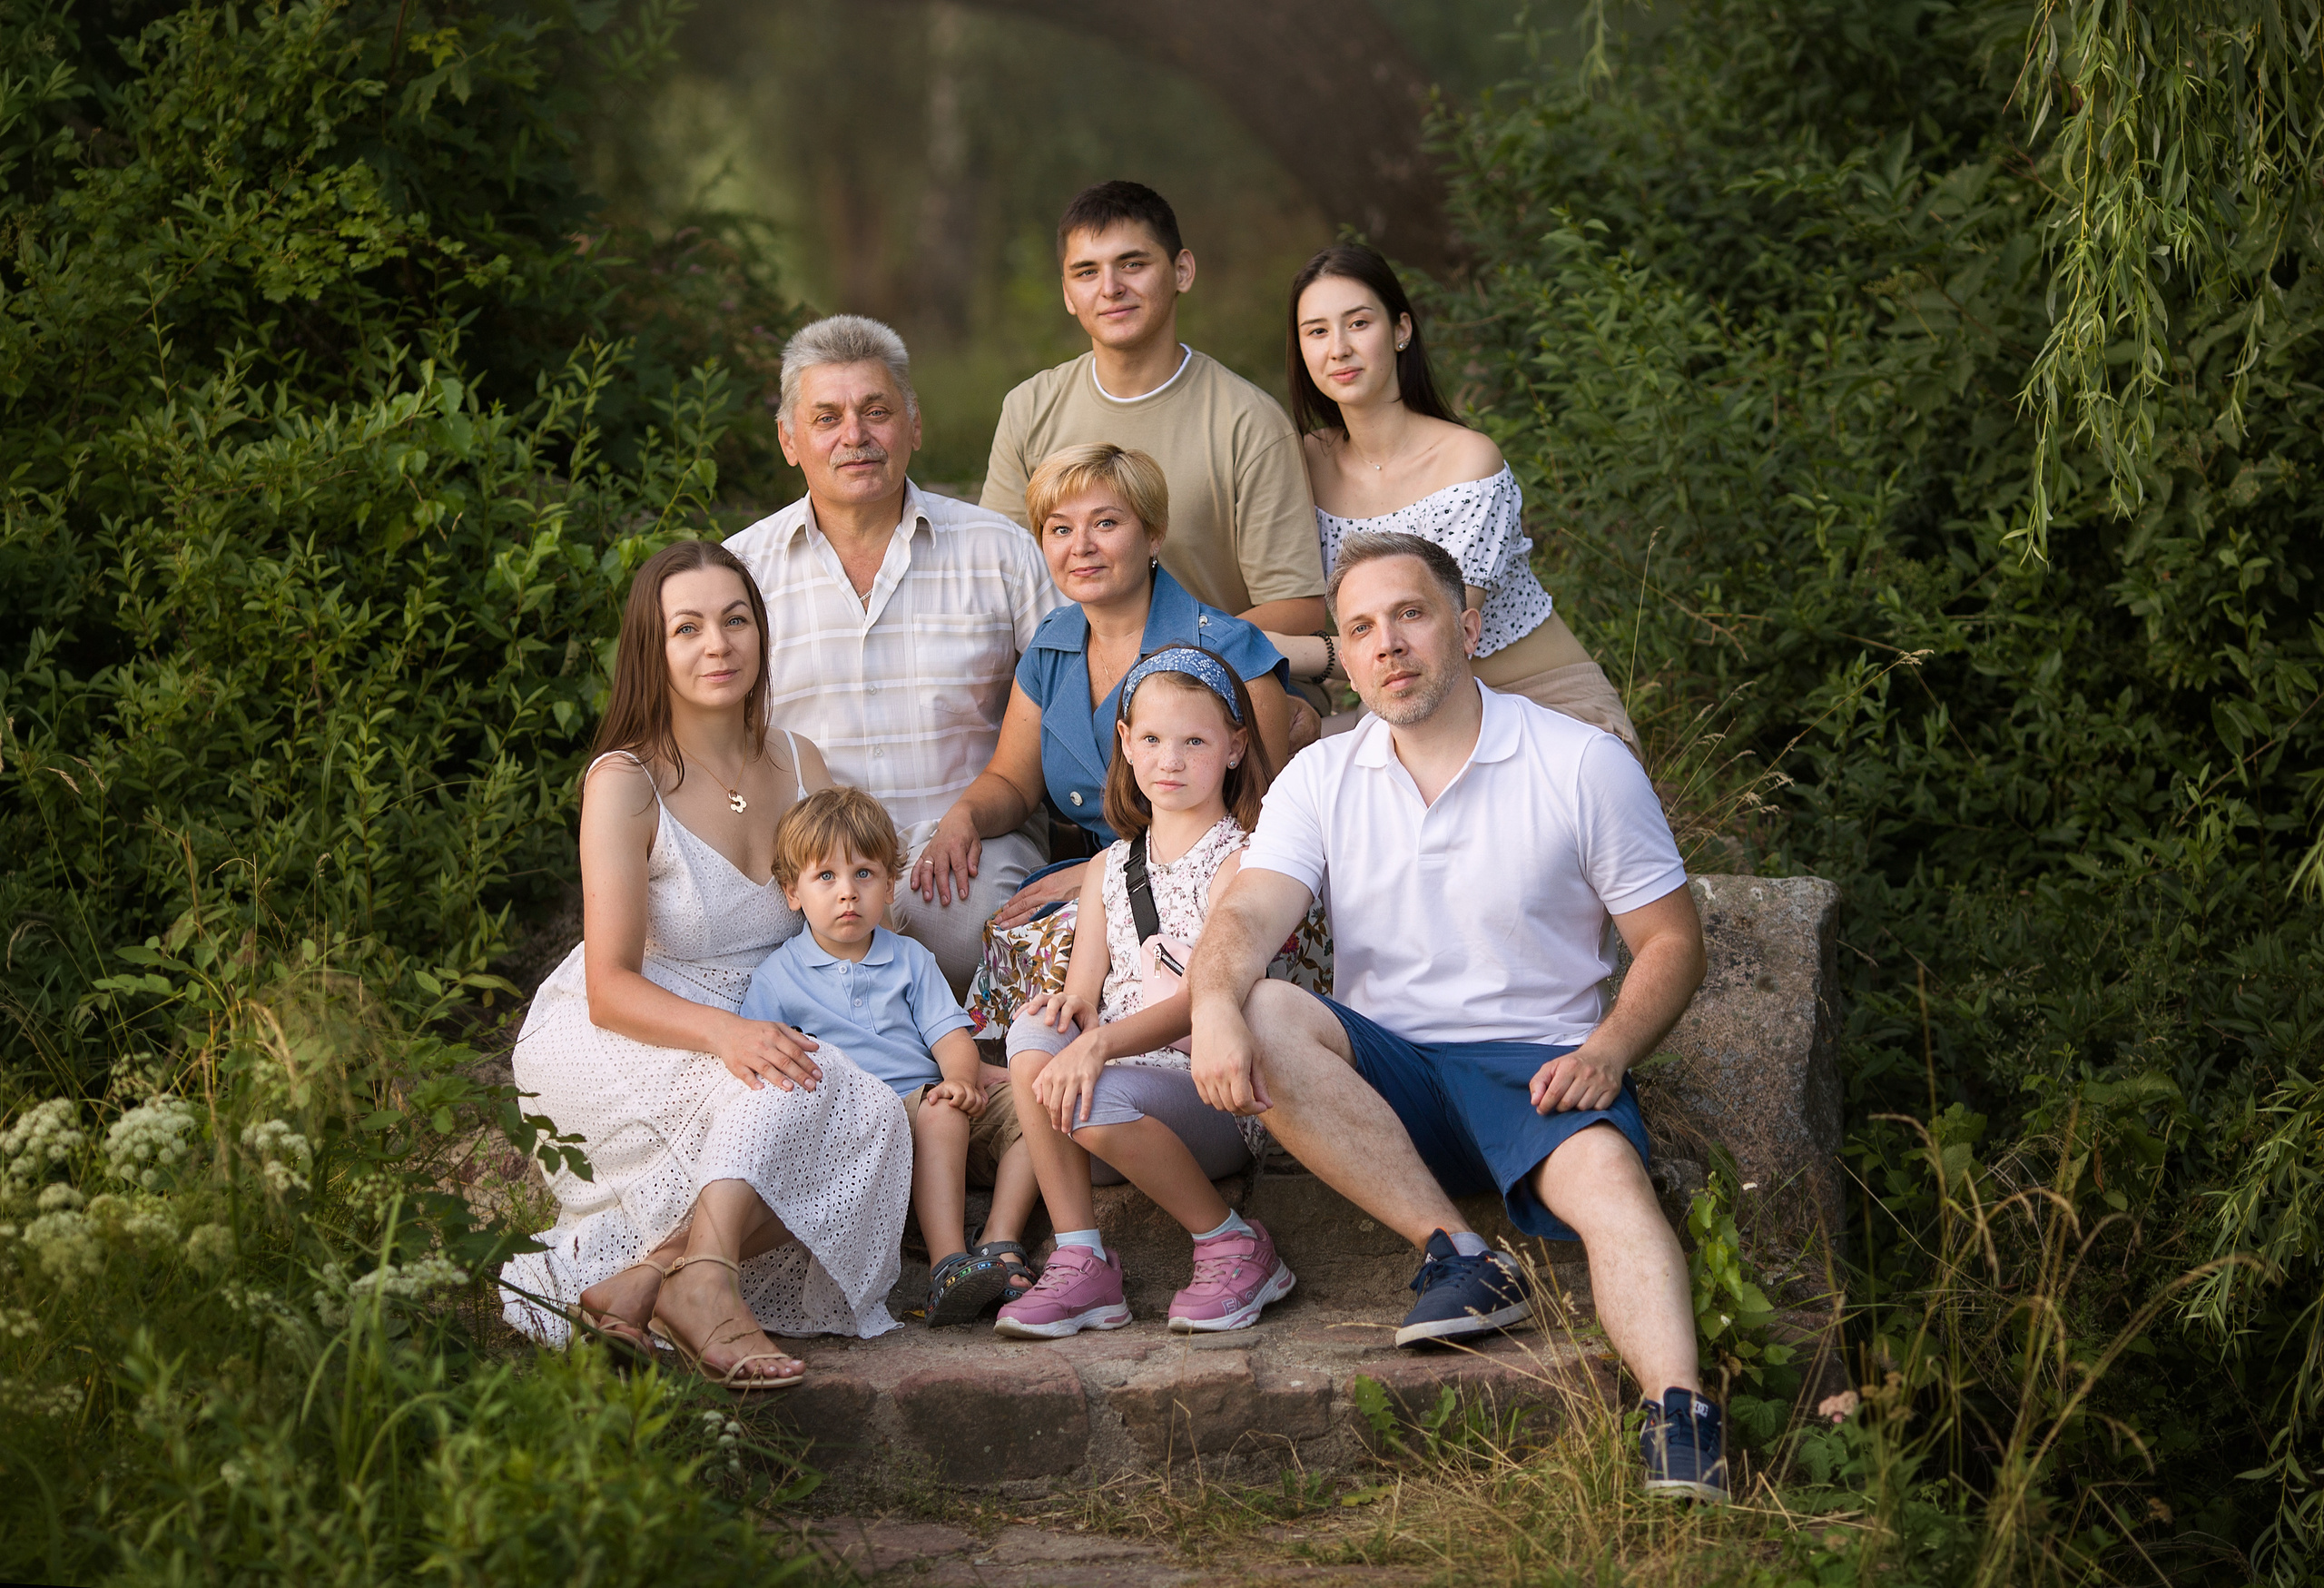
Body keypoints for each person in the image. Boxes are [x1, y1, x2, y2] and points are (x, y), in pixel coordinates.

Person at [1186, 532, 1727, 1501]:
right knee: (1264, 1009)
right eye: (1359, 629)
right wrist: (1212, 1007)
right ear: (1344, 661)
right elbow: (1246, 915)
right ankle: (1460, 1254)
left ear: (1466, 625)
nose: (1387, 644)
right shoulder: (1321, 777)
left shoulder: (1578, 764)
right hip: (1392, 1074)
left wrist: (1609, 1049)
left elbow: (1672, 943)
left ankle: (1678, 1414)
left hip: (1540, 1070)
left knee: (1607, 1180)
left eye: (1410, 614)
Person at [497, 540, 913, 1391]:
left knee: (878, 1121)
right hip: (631, 1020)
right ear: (655, 649)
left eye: (734, 620)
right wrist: (727, 1034)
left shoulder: (801, 763)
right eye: (687, 628)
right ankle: (712, 1290)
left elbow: (845, 916)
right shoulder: (625, 779)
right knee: (783, 1088)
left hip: (768, 1010)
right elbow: (612, 985)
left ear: (761, 633)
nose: (717, 644)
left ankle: (658, 1273)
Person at [725, 314, 1062, 993]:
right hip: (806, 861)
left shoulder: (1000, 551)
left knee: (965, 927)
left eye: (876, 411)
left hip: (963, 846)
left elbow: (1072, 696)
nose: (855, 436)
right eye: (827, 418)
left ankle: (957, 1042)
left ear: (914, 425)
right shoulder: (743, 572)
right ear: (790, 440)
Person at [918, 444, 1292, 1029]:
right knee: (1011, 931)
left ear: (1154, 536)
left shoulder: (1229, 652)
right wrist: (962, 817)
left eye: (1106, 523)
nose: (1081, 547)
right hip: (1099, 874)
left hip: (1205, 883)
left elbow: (1262, 820)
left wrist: (1108, 876)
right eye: (1059, 529)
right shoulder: (1051, 645)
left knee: (1057, 950)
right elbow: (1012, 782)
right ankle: (1010, 1093)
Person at [992, 647, 1296, 1340]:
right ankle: (1081, 1257)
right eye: (1153, 739)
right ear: (1125, 743)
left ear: (1234, 746)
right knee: (1034, 1035)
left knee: (1089, 1087)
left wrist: (1097, 1045)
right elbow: (1083, 996)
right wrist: (1068, 1019)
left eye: (1195, 740)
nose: (1171, 758)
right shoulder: (1107, 866)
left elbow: (1208, 996)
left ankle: (1233, 1242)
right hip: (1112, 1108)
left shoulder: (1243, 860)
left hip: (1211, 1094)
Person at [1269, 244, 1642, 757]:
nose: (1338, 348)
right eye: (1317, 331)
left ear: (1401, 330)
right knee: (1272, 763)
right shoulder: (1302, 465)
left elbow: (1439, 645)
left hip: (1543, 711)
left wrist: (1284, 652)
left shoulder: (1468, 462)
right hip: (1411, 713)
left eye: (1358, 323)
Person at [980, 181, 1327, 644]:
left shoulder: (1248, 422)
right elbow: (997, 574)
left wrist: (1159, 658)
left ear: (1182, 271)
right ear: (1066, 292)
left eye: (1133, 264)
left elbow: (1299, 608)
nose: (1110, 288)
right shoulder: (1028, 409)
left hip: (1211, 687)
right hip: (1066, 683)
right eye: (1086, 272)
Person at [743, 788, 1041, 1325]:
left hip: (935, 1103)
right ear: (793, 892)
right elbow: (766, 1066)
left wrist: (961, 1076)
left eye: (864, 874)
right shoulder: (777, 978)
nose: (848, 894)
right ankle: (948, 1263)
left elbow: (950, 1035)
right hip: (862, 1122)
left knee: (1030, 1109)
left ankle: (1000, 1239)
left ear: (890, 884)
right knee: (942, 1109)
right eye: (825, 877)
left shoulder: (910, 959)